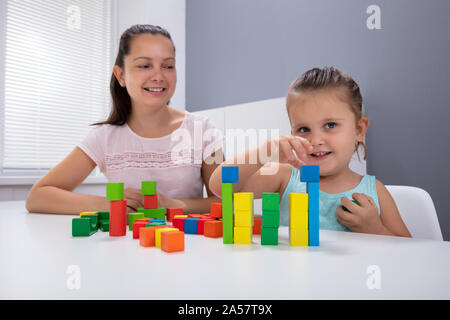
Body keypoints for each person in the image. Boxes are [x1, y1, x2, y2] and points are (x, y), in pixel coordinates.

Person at [26, 24, 224, 214]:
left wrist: (174, 204)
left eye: (168, 66)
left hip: (187, 246)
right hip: (124, 246)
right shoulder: (104, 138)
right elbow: (38, 197)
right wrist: (108, 205)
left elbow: (225, 202)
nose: (158, 76)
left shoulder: (202, 130)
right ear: (120, 75)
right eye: (145, 65)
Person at [209, 67, 411, 237]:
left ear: (359, 130)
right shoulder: (285, 176)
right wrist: (262, 155)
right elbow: (219, 186)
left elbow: (411, 251)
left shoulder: (375, 190)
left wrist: (374, 228)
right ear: (292, 134)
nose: (315, 141)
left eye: (330, 125)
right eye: (303, 130)